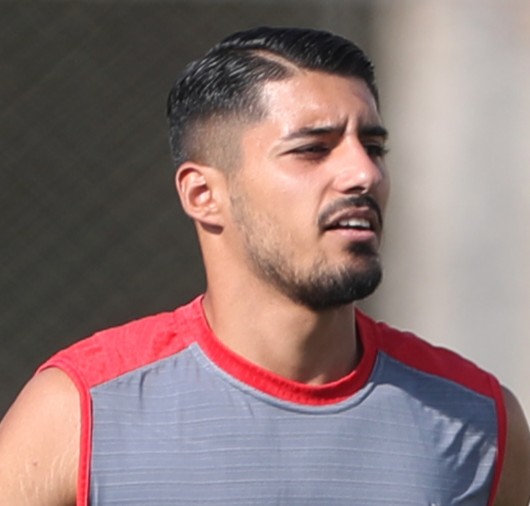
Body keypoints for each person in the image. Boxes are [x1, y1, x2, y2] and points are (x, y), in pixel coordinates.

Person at [1, 26, 529, 506]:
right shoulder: (81, 413)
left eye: (373, 147)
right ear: (204, 194)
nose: (363, 173)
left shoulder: (482, 423)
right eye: (313, 149)